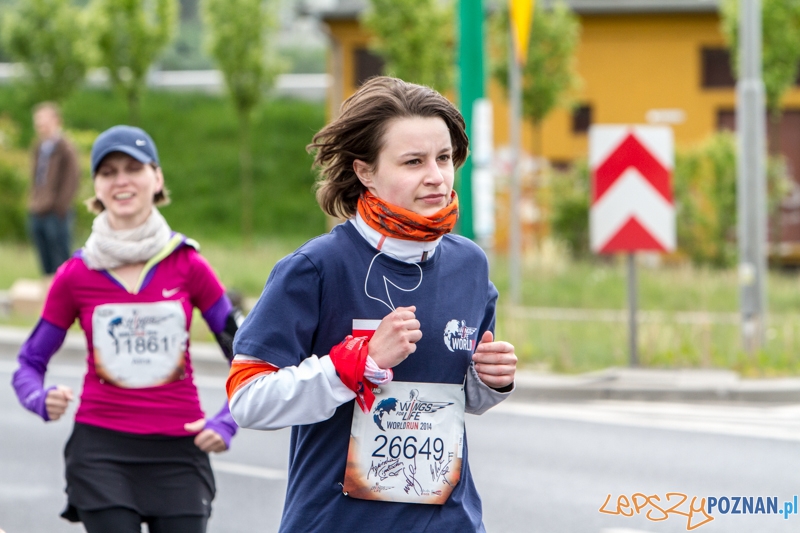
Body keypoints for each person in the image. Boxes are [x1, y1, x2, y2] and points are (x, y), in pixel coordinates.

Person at [227, 76, 517, 532]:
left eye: (444, 158)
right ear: (365, 172)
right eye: (413, 161)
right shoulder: (316, 267)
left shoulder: (470, 265)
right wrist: (353, 365)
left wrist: (488, 381)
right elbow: (247, 400)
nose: (436, 176)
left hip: (451, 522)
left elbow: (457, 397)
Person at [12, 125, 241, 533]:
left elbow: (248, 358)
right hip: (100, 450)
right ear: (96, 187)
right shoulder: (76, 274)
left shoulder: (189, 265)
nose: (121, 180)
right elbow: (29, 363)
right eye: (108, 172)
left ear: (157, 178)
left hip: (180, 449)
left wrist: (226, 420)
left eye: (133, 168)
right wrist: (38, 397)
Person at [28, 102, 80, 277]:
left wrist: (60, 206)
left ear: (56, 120)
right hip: (37, 209)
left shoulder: (66, 147)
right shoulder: (39, 146)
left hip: (56, 212)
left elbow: (72, 179)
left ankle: (62, 290)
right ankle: (48, 289)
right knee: (44, 258)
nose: (40, 124)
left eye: (44, 120)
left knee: (59, 257)